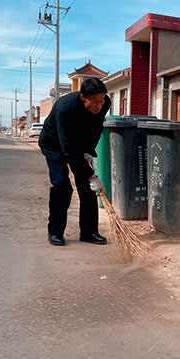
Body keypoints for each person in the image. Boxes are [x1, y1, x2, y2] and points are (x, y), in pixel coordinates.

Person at [38, 77, 112, 246]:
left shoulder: (104, 102)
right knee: (62, 186)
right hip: (54, 144)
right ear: (82, 98)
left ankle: (89, 232)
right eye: (94, 102)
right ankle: (55, 232)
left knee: (87, 188)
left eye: (101, 101)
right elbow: (68, 149)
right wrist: (91, 174)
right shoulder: (64, 108)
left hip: (78, 144)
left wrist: (88, 151)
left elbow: (96, 128)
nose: (99, 106)